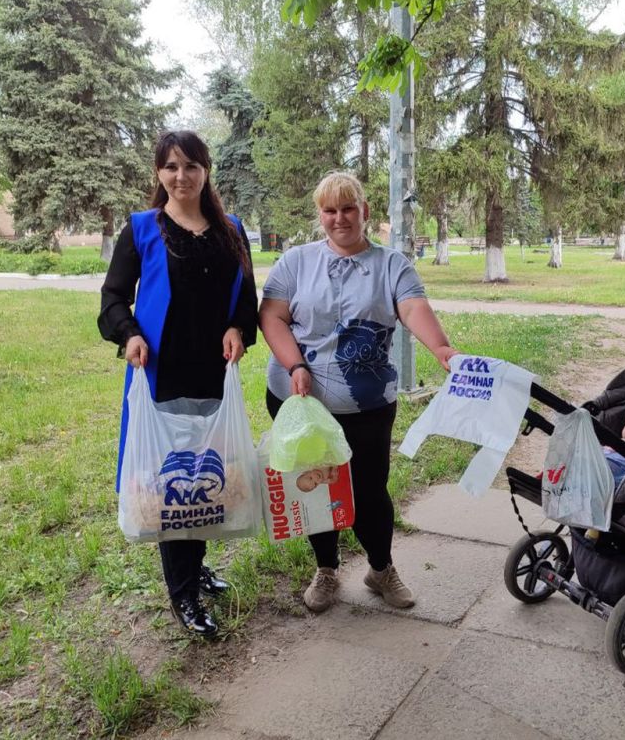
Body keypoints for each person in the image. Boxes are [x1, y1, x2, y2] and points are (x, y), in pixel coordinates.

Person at [259, 171, 457, 613]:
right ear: (320, 216)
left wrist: (441, 348)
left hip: (367, 404)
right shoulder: (296, 262)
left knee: (370, 490)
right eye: (330, 210)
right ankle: (326, 569)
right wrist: (295, 364)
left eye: (348, 208)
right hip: (301, 400)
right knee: (314, 486)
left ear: (365, 212)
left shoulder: (391, 264)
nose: (340, 218)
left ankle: (380, 568)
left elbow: (412, 307)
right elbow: (271, 316)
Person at [99, 130, 258, 638]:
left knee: (208, 478)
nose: (181, 176)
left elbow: (245, 301)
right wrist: (128, 336)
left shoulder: (231, 230)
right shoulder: (143, 229)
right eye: (170, 167)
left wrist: (237, 328)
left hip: (213, 373)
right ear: (158, 173)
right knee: (171, 482)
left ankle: (197, 566)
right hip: (161, 375)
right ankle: (183, 593)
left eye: (191, 166)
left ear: (206, 170)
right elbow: (112, 299)